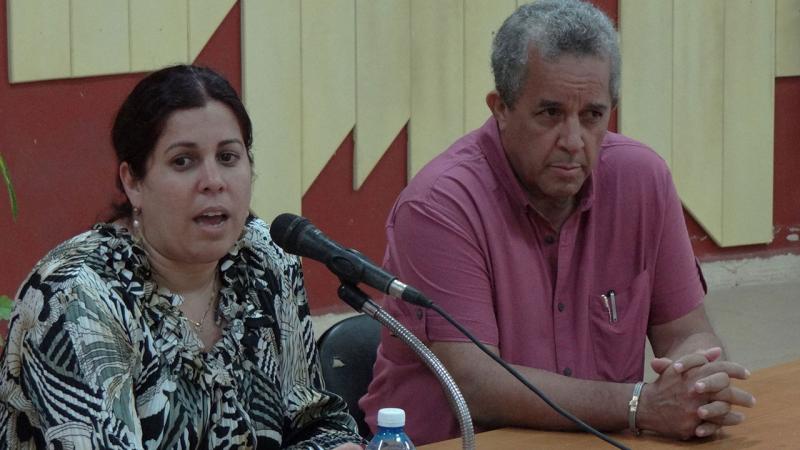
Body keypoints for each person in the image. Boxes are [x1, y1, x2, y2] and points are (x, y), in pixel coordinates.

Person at [360, 0, 756, 445]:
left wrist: (696, 381)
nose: (573, 141)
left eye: (592, 116)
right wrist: (640, 404)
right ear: (501, 108)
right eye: (550, 114)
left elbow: (687, 331)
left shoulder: (643, 180)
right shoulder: (441, 204)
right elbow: (476, 386)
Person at [0, 65, 363, 449]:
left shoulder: (264, 259)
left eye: (227, 157)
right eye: (183, 161)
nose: (213, 180)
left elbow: (315, 422)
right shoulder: (77, 297)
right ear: (133, 182)